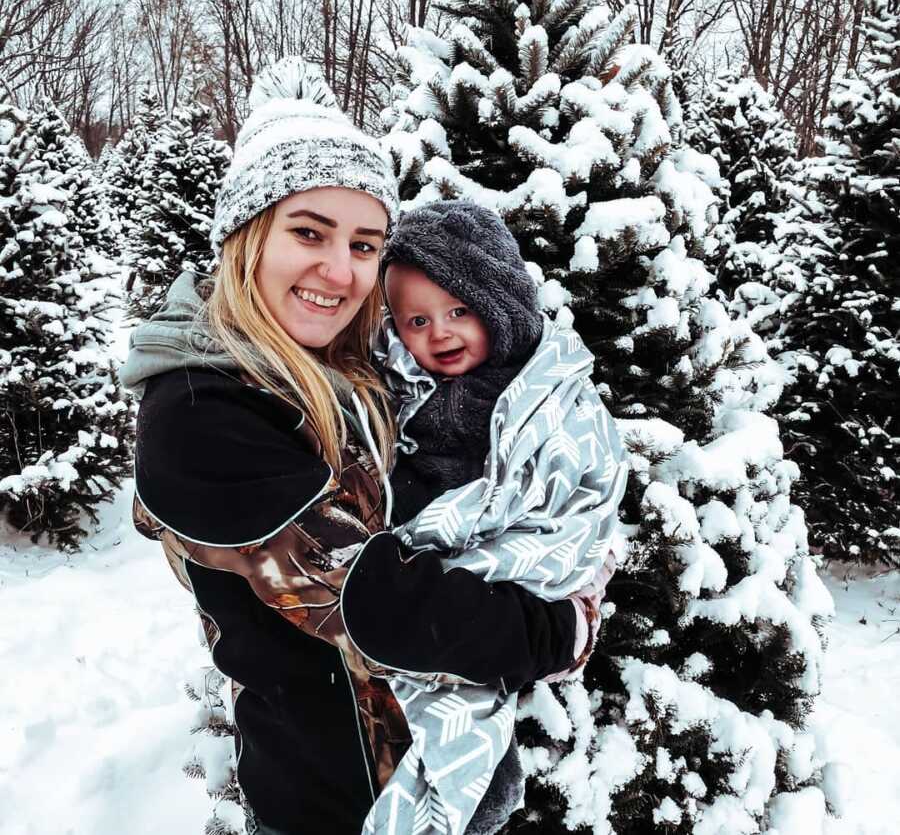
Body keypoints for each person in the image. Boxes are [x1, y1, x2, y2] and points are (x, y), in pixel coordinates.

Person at [119, 57, 591, 835]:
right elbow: (372, 601)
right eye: (309, 232)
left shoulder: (339, 368)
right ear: (246, 236)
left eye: (367, 244)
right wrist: (557, 630)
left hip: (430, 770)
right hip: (336, 802)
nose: (340, 270)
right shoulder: (202, 414)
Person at [362, 200, 627, 835]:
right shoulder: (401, 394)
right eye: (416, 320)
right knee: (435, 690)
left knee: (472, 690)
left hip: (510, 568)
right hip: (430, 578)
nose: (440, 333)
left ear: (499, 304)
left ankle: (473, 792)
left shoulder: (548, 389)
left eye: (459, 311)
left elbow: (582, 481)